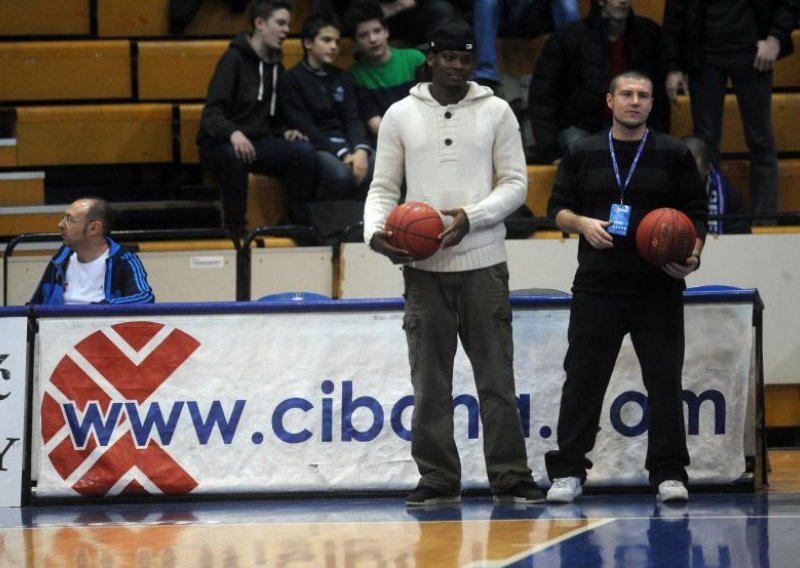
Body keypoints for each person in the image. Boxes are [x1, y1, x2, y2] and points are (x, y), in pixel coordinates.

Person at [364, 18, 544, 506]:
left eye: (466, 58)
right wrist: (375, 235)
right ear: (430, 58)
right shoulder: (400, 114)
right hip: (422, 271)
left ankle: (510, 476)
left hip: (485, 264)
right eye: (449, 57)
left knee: (497, 381)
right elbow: (383, 189)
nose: (458, 67)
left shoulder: (498, 110)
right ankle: (439, 479)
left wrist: (473, 216)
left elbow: (515, 184)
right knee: (429, 385)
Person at [544, 71, 707, 504]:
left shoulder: (674, 154)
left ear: (652, 104)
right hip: (597, 288)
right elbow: (556, 208)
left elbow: (696, 212)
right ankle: (569, 471)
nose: (635, 101)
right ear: (610, 100)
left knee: (665, 381)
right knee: (582, 380)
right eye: (627, 94)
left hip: (658, 289)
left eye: (644, 96)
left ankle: (670, 473)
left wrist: (693, 255)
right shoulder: (583, 151)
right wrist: (580, 223)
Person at [661, 0, 800, 224]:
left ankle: (765, 223)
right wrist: (672, 66)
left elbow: (790, 2)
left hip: (753, 51)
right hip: (703, 54)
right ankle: (708, 220)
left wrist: (776, 37)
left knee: (760, 138)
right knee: (705, 143)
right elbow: (675, 12)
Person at [197, 0, 319, 232]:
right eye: (280, 23)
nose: (286, 30)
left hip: (258, 140)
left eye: (288, 24)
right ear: (260, 23)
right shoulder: (232, 59)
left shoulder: (276, 66)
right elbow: (212, 113)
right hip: (220, 142)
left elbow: (272, 117)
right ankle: (235, 231)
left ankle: (294, 224)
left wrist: (285, 130)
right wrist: (233, 133)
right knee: (236, 156)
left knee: (303, 152)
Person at [529, 0, 669, 164]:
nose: (623, 1)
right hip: (582, 128)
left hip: (633, 128)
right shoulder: (568, 37)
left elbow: (659, 94)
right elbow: (544, 94)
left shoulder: (648, 34)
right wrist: (549, 148)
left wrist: (659, 136)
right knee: (582, 151)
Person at [278, 15, 375, 200]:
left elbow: (352, 119)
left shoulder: (343, 77)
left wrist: (360, 150)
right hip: (319, 146)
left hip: (347, 143)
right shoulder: (290, 79)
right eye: (326, 40)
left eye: (336, 42)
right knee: (340, 174)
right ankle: (326, 225)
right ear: (307, 43)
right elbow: (304, 125)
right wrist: (344, 154)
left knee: (378, 164)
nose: (334, 47)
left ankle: (362, 223)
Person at [30, 198, 155, 305]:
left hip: (101, 330)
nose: (60, 224)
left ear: (94, 228)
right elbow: (34, 305)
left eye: (69, 220)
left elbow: (144, 298)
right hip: (57, 330)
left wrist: (100, 309)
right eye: (63, 218)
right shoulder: (60, 258)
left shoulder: (123, 259)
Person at [345, 1, 426, 140]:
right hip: (388, 141)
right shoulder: (355, 76)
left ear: (386, 31)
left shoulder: (414, 59)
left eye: (377, 31)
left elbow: (431, 103)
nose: (373, 39)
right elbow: (374, 122)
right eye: (364, 35)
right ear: (355, 42)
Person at [472, 0, 580, 94]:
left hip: (538, 14)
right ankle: (485, 75)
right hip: (502, 13)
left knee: (567, 3)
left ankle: (573, 70)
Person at [683, 136, 752, 235]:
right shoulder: (661, 186)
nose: (689, 179)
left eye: (696, 174)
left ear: (708, 169)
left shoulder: (729, 194)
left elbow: (740, 237)